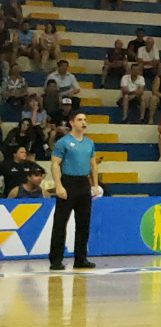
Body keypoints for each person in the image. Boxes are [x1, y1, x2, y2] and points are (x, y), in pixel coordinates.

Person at [48, 111, 100, 271]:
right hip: (68, 182)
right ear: (72, 123)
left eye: (85, 119)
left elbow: (93, 165)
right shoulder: (63, 142)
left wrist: (95, 185)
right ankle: (56, 260)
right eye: (79, 120)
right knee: (60, 223)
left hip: (83, 183)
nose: (83, 122)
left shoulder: (89, 143)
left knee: (84, 223)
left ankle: (81, 258)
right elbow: (55, 164)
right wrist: (58, 185)